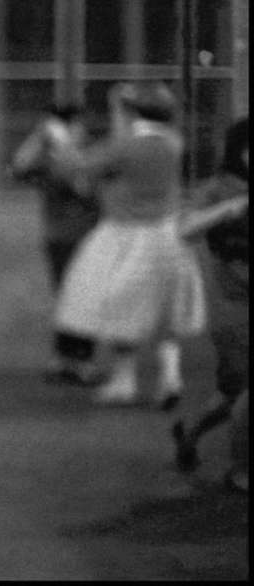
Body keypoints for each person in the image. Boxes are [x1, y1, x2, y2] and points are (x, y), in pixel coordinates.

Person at [50, 82, 206, 407]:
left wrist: (62, 141)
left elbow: (77, 167)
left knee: (120, 307)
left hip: (127, 234)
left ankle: (124, 380)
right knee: (165, 309)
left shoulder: (126, 145)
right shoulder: (172, 142)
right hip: (167, 233)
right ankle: (170, 379)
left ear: (133, 112)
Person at [172, 117, 248, 492]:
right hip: (231, 305)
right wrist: (230, 209)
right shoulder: (219, 188)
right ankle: (240, 471)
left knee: (234, 390)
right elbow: (184, 229)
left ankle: (190, 433)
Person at [8, 103, 102, 385]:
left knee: (87, 297)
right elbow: (18, 168)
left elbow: (83, 185)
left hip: (88, 237)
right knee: (66, 298)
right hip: (58, 237)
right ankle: (65, 359)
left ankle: (83, 359)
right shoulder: (50, 158)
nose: (81, 130)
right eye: (76, 125)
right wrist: (40, 137)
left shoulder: (89, 155)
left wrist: (64, 145)